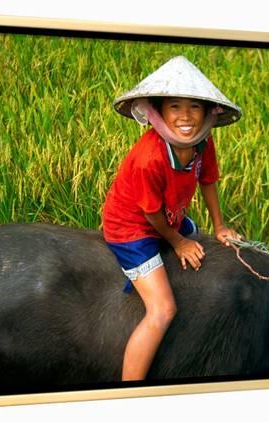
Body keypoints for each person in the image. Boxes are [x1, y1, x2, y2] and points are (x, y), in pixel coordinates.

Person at [102, 56, 243, 381]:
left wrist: (220, 225)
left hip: (170, 215)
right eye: (175, 106)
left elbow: (208, 180)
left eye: (194, 107)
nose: (185, 116)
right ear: (159, 111)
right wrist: (178, 242)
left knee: (201, 238)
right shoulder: (149, 157)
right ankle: (128, 389)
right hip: (132, 227)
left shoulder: (201, 143)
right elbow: (149, 213)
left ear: (209, 113)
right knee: (162, 310)